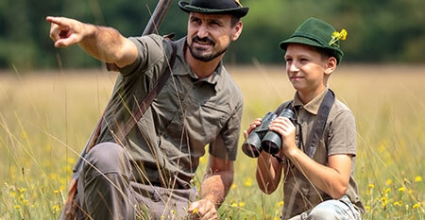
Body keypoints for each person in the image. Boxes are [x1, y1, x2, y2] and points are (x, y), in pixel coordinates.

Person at [47, 0, 249, 219]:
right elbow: (117, 47)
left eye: (213, 24)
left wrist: (209, 202)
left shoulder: (231, 97)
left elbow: (221, 170)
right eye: (195, 21)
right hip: (120, 192)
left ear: (236, 30)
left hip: (175, 202)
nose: (201, 32)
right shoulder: (157, 53)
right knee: (105, 156)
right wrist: (86, 32)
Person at [243, 17, 365, 219]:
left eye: (303, 60)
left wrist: (292, 151)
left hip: (337, 211)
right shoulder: (283, 111)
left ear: (329, 65)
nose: (292, 68)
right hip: (298, 215)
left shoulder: (340, 116)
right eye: (288, 60)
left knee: (322, 215)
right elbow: (267, 186)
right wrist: (263, 152)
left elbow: (338, 187)